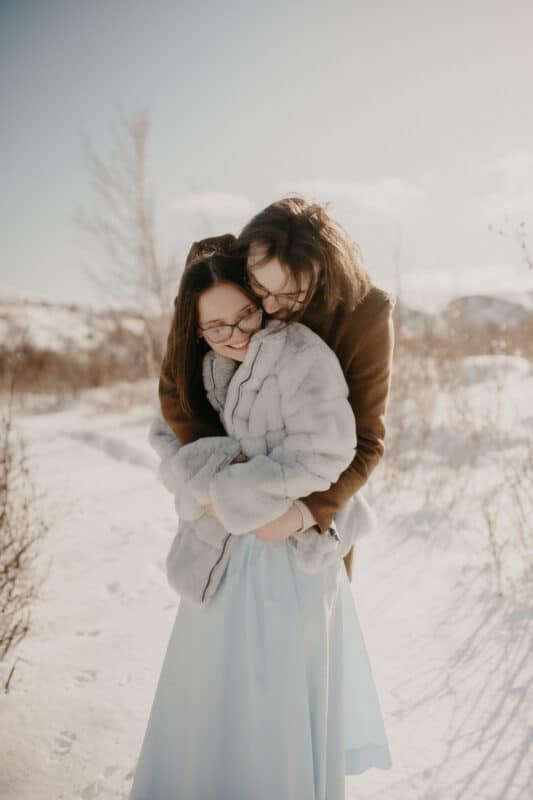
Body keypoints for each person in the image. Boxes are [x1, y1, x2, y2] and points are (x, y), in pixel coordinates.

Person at [129, 236, 392, 799]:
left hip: (288, 559)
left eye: (245, 314)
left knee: (277, 711)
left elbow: (331, 450)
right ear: (197, 330)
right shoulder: (201, 365)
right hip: (219, 558)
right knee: (211, 706)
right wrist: (221, 478)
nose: (235, 335)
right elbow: (168, 443)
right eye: (216, 327)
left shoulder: (299, 355)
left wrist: (246, 491)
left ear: (260, 302)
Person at [160, 197, 396, 583]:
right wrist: (221, 480)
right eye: (258, 288)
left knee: (309, 632)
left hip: (312, 507)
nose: (268, 305)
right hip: (223, 518)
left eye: (289, 295)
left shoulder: (363, 314)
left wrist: (304, 512)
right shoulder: (228, 267)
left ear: (323, 273)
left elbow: (367, 439)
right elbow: (177, 387)